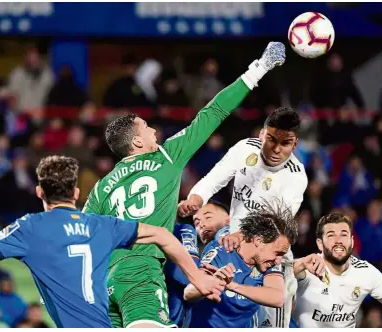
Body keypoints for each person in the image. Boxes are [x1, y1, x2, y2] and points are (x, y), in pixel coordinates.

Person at [82, 41, 286, 328]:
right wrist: (260, 67)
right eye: (146, 127)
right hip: (142, 269)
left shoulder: (102, 187)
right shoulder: (166, 157)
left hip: (108, 281)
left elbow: (82, 238)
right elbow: (213, 113)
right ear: (138, 142)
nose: (154, 129)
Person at [0, 156, 225, 328]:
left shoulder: (28, 228)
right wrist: (197, 278)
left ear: (39, 192)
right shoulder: (101, 225)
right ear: (76, 193)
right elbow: (162, 235)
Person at [178, 107, 308, 327]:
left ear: (294, 144)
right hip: (231, 244)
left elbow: (276, 228)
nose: (276, 149)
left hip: (267, 253)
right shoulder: (244, 149)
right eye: (271, 139)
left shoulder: (296, 177)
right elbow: (214, 179)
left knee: (273, 325)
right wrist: (196, 200)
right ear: (261, 134)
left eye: (285, 143)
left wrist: (242, 234)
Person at [293, 213, 382, 328]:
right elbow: (280, 269)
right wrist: (300, 264)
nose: (338, 240)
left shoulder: (366, 272)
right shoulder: (309, 266)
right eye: (331, 235)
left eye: (343, 234)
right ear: (320, 243)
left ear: (352, 241)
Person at [184, 200, 298, 328]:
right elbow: (188, 293)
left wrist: (233, 286)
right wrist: (212, 281)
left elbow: (277, 298)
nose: (278, 260)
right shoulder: (221, 250)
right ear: (258, 241)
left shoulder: (268, 262)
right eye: (277, 253)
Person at [165, 200, 230, 327]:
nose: (202, 225)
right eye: (197, 222)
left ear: (229, 219)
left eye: (208, 217)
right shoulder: (201, 246)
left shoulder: (234, 242)